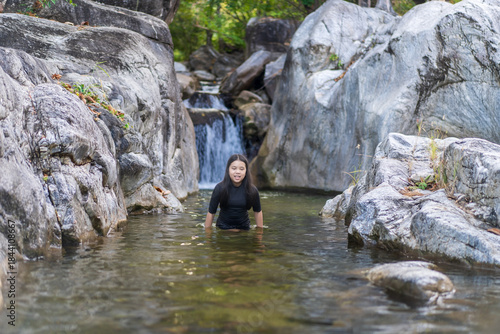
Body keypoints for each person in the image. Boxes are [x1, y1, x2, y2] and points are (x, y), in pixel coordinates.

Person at [204, 154, 263, 230]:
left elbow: (258, 211)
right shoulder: (219, 188)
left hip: (244, 229)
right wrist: (208, 236)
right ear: (228, 169)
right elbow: (211, 213)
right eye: (234, 168)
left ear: (246, 171)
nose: (237, 172)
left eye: (241, 169)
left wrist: (259, 234)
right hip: (223, 229)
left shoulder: (252, 190)